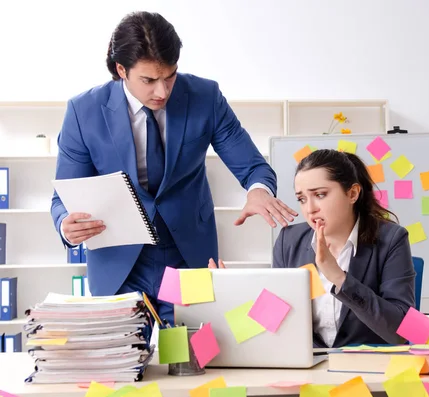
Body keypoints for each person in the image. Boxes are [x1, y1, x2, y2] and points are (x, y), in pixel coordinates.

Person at [50, 11, 297, 325]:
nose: (162, 91)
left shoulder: (205, 97)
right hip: (119, 267)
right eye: (149, 80)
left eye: (170, 76)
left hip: (187, 259)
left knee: (195, 362)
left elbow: (253, 167)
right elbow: (63, 199)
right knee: (125, 368)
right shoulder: (83, 112)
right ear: (121, 69)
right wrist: (66, 227)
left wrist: (258, 191)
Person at [272, 149, 416, 348]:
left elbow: (401, 331)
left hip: (367, 367)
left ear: (352, 194)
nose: (310, 208)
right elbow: (277, 318)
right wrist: (232, 296)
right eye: (302, 199)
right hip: (309, 366)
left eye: (320, 195)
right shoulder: (289, 240)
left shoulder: (392, 239)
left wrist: (339, 278)